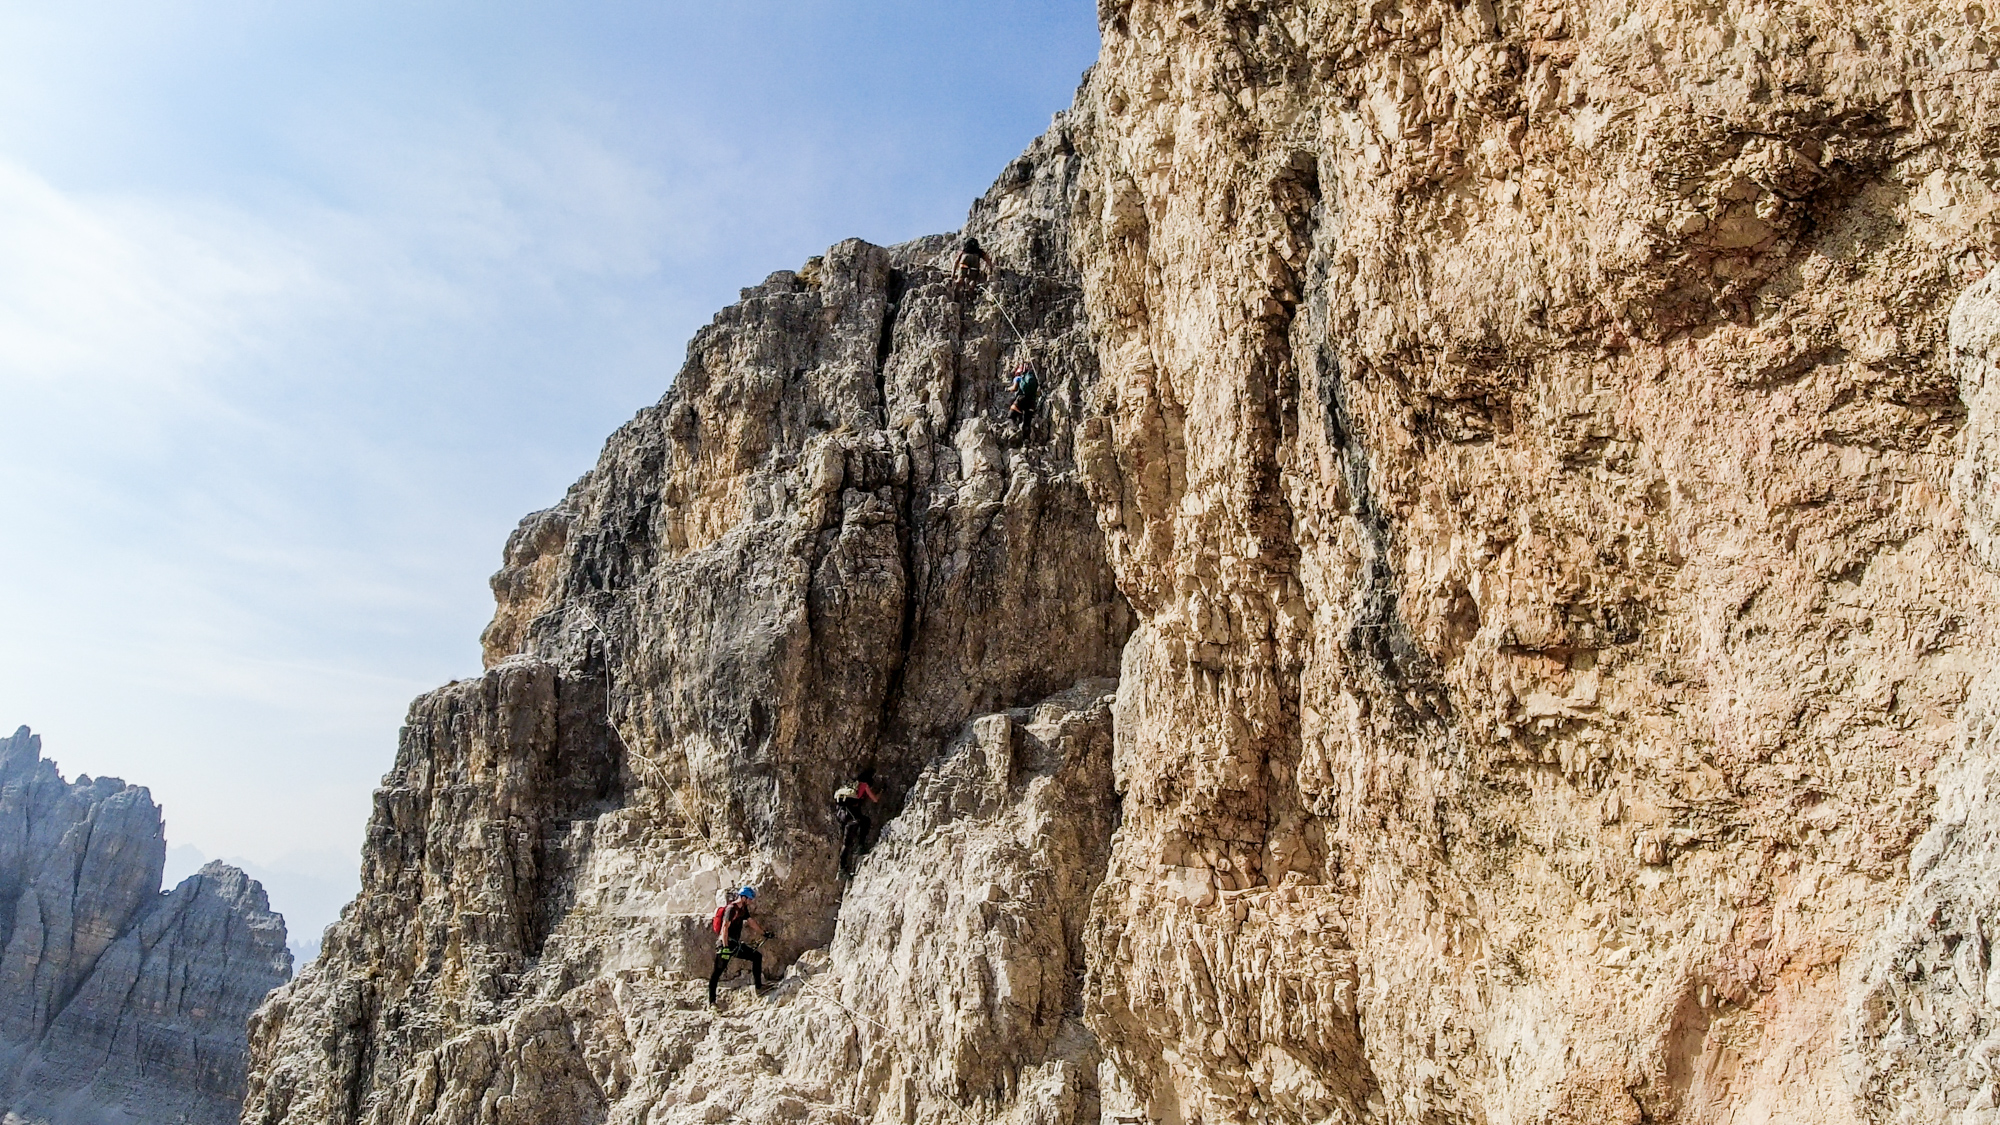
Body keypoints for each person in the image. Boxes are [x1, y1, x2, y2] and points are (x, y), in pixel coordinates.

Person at [708, 886, 766, 1006]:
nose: (751, 901)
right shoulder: (731, 909)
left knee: (757, 957)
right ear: (743, 897)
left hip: (734, 945)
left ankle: (759, 988)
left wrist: (764, 933)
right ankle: (712, 1002)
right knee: (716, 973)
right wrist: (725, 948)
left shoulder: (743, 909)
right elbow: (724, 927)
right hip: (725, 945)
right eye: (749, 899)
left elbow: (751, 922)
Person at [834, 771, 881, 877]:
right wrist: (882, 791)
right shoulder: (863, 785)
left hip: (842, 815)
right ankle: (860, 847)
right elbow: (875, 799)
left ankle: (842, 869)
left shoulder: (850, 787)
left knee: (847, 842)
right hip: (852, 817)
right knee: (864, 823)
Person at [1007, 362, 1040, 436]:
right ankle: (1026, 441)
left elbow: (1014, 388)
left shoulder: (1019, 378)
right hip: (1031, 401)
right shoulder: (1034, 379)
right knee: (1027, 423)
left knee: (1011, 416)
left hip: (1021, 399)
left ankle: (1014, 429)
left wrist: (1008, 389)